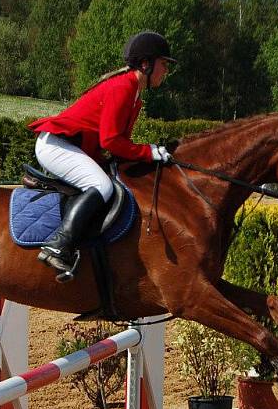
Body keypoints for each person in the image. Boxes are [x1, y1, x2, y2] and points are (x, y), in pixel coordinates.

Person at [27, 31, 176, 282]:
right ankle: (58, 244)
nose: (166, 71)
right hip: (55, 145)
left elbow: (119, 144)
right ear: (145, 64)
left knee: (111, 180)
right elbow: (110, 141)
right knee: (101, 185)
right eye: (164, 64)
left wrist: (143, 153)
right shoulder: (123, 87)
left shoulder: (135, 96)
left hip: (71, 147)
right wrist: (149, 152)